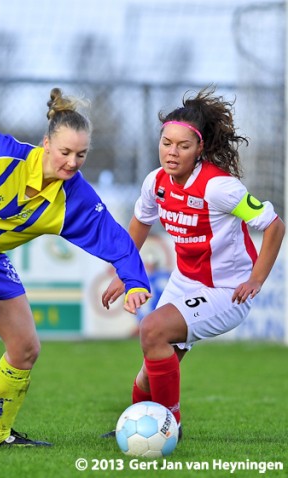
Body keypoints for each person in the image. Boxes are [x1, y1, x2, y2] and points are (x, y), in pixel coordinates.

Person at [0, 88, 152, 448]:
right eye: (65, 152)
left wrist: (134, 281)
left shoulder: (75, 197)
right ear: (46, 144)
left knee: (25, 347)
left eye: (81, 155)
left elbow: (114, 238)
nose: (72, 162)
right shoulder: (5, 156)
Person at [101, 86, 285, 437]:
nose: (172, 152)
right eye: (166, 143)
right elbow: (140, 222)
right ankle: (140, 425)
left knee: (151, 329)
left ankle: (170, 426)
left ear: (199, 148)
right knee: (150, 366)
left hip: (227, 290)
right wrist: (125, 273)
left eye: (183, 146)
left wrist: (257, 279)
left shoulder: (219, 188)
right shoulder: (155, 182)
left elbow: (274, 226)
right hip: (186, 281)